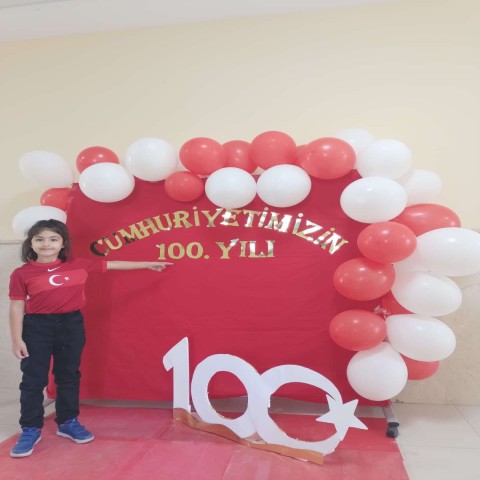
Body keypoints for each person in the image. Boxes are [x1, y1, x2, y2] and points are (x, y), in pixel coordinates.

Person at [8, 219, 172, 458]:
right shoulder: (22, 273)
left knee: (68, 375)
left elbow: (112, 264)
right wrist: (17, 339)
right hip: (37, 328)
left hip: (71, 325)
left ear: (63, 243)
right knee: (34, 380)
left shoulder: (78, 265)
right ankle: (31, 428)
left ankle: (67, 422)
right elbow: (16, 307)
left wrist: (147, 264)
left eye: (53, 239)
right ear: (31, 243)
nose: (46, 244)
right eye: (39, 239)